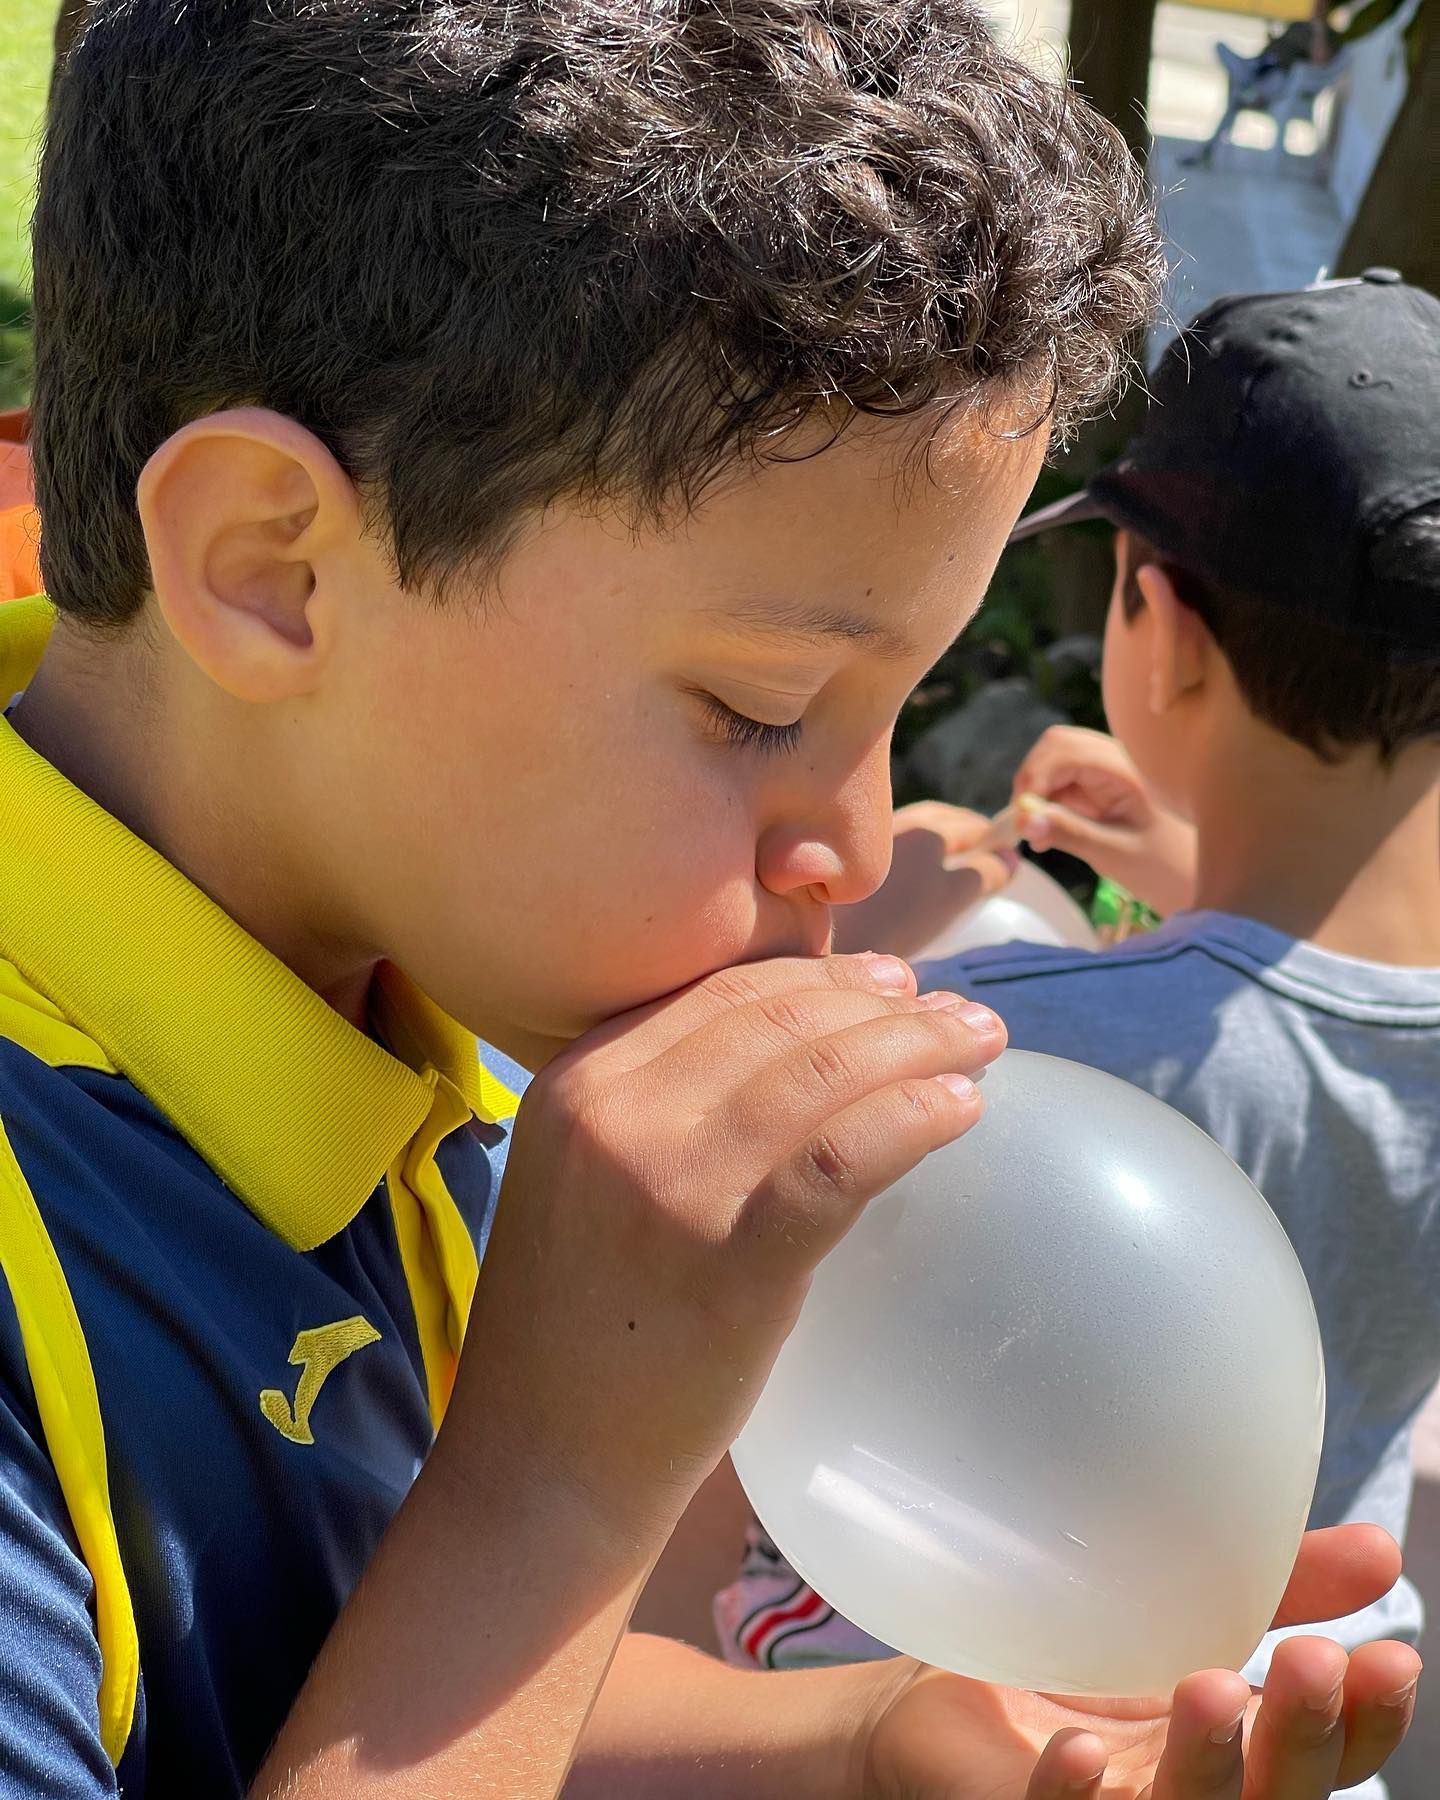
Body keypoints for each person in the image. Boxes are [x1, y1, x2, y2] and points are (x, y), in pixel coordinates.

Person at [0, 0, 1419, 1791]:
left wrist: (869, 1746)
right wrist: (559, 1479)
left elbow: (354, 1671)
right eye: (761, 709)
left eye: (895, 709)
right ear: (274, 569)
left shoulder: (434, 961)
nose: (864, 837)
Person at [711, 272, 1440, 1794]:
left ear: (1156, 627)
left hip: (962, 1734)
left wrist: (888, 925)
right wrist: (1187, 874)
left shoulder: (1015, 1047)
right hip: (1295, 1723)